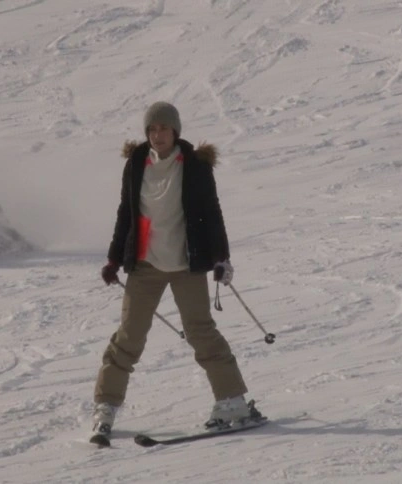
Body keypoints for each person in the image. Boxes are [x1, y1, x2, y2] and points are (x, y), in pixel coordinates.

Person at [91, 102, 260, 437]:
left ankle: (232, 401)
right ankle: (105, 406)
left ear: (175, 131)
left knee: (201, 331)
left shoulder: (195, 165)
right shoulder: (137, 164)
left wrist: (221, 257)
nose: (157, 135)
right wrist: (114, 259)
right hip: (145, 264)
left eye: (163, 129)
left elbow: (212, 213)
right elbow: (126, 213)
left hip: (186, 263)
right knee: (128, 337)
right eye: (152, 129)